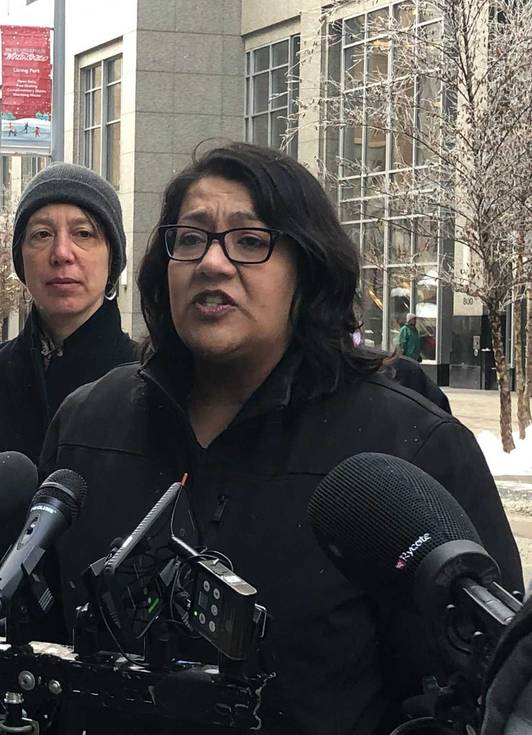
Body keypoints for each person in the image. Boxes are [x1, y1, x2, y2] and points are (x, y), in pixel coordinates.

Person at [40, 143, 522, 734]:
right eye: (190, 239)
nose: (212, 264)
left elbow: (473, 693)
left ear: (307, 268)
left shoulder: (411, 446)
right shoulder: (90, 424)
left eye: (249, 241)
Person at [0, 161, 137, 488]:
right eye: (42, 234)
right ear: (21, 259)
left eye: (83, 233)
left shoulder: (151, 385)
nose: (61, 253)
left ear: (112, 256)